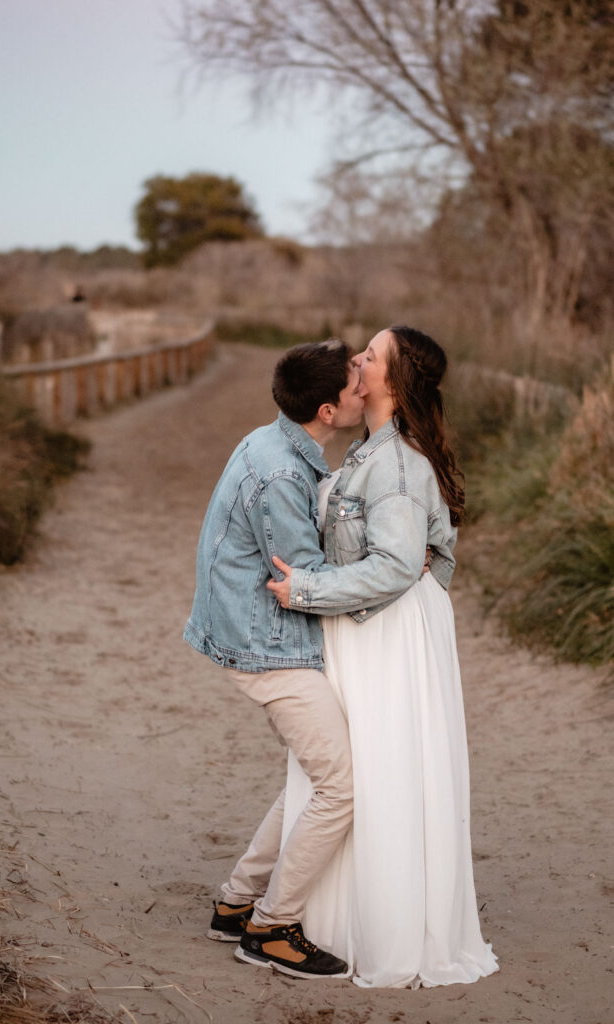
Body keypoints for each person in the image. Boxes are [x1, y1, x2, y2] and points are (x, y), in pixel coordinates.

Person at [268, 326, 499, 988]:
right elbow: (426, 557)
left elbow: (401, 565)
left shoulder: (396, 462)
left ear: (391, 382)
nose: (356, 362)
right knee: (359, 768)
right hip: (371, 627)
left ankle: (382, 928)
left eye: (369, 355)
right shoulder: (371, 452)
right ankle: (304, 912)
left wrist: (305, 590)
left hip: (380, 634)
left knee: (381, 768)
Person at [184, 339, 368, 979]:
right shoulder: (284, 473)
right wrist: (393, 568)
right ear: (326, 408)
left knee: (312, 775)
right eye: (354, 386)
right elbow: (305, 577)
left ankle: (236, 903)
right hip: (268, 646)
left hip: (253, 634)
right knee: (341, 786)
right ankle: (271, 927)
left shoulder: (275, 441)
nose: (363, 389)